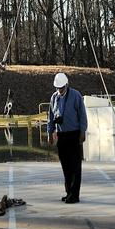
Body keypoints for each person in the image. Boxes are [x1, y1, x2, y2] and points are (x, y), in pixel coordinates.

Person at [47, 71, 87, 203]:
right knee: (65, 166)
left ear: (67, 85)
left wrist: (82, 132)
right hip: (61, 135)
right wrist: (50, 133)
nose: (60, 90)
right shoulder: (54, 98)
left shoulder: (76, 95)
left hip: (74, 134)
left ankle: (75, 195)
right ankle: (69, 192)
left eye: (62, 88)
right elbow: (51, 116)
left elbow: (82, 115)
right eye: (58, 88)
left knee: (75, 166)